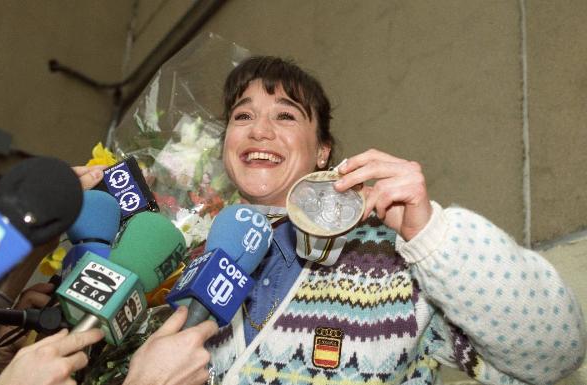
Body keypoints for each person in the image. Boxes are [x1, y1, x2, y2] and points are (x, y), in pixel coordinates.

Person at [199, 56, 587, 385]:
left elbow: (555, 352)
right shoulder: (189, 263)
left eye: (285, 115)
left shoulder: (388, 257)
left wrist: (431, 237)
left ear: (322, 151)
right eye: (243, 114)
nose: (259, 130)